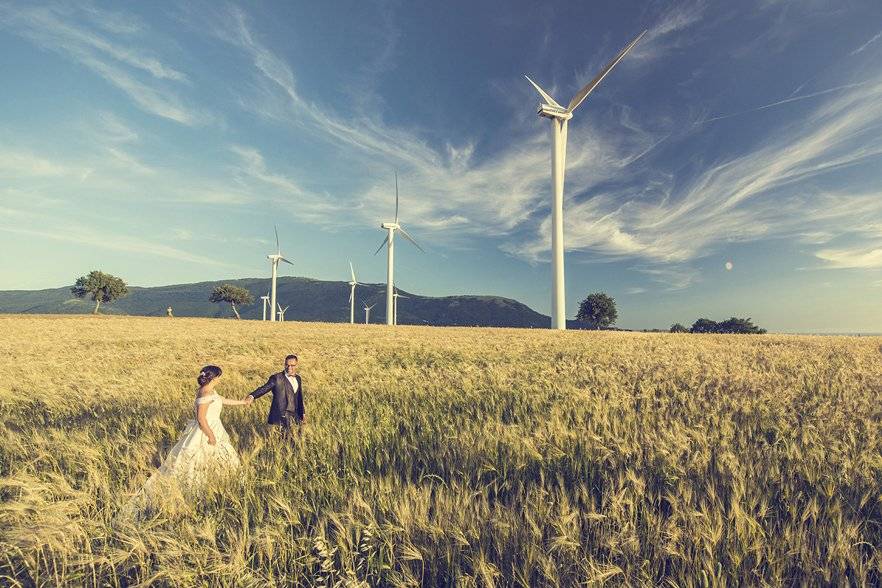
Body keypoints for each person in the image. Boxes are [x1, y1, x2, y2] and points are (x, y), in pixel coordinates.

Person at [118, 365, 250, 520]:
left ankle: (219, 488)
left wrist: (242, 402)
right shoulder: (204, 392)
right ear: (214, 378)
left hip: (215, 428)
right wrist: (211, 436)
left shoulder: (211, 391)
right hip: (205, 431)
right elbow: (201, 419)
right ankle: (194, 493)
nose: (221, 379)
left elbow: (222, 400)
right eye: (219, 376)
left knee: (221, 460)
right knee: (195, 462)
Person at [244, 354, 305, 437]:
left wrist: (303, 414)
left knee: (296, 439)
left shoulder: (298, 378)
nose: (289, 367)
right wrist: (252, 396)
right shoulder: (276, 378)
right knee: (282, 440)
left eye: (292, 365)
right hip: (282, 415)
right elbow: (264, 388)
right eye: (287, 365)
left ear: (297, 365)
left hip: (296, 415)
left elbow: (299, 397)